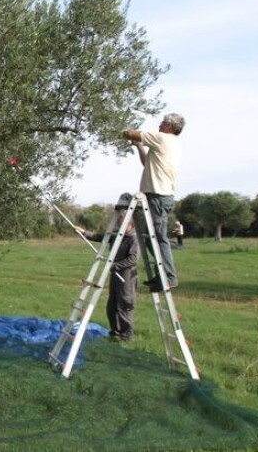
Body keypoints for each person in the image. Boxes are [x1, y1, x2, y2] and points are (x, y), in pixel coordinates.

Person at [121, 113, 185, 291]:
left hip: (158, 195)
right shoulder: (168, 143)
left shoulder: (164, 138)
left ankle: (169, 277)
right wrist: (139, 147)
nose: (160, 124)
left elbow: (132, 133)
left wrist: (120, 130)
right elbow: (146, 163)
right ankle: (161, 274)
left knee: (159, 238)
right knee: (150, 237)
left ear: (170, 127)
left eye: (163, 122)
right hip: (158, 195)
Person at [74, 221, 139, 341]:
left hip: (127, 276)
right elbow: (100, 237)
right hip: (115, 274)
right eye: (120, 225)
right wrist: (83, 232)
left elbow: (133, 259)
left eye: (124, 225)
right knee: (112, 305)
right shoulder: (117, 236)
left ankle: (125, 334)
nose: (121, 227)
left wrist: (114, 265)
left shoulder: (133, 239)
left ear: (131, 225)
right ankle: (115, 332)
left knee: (124, 304)